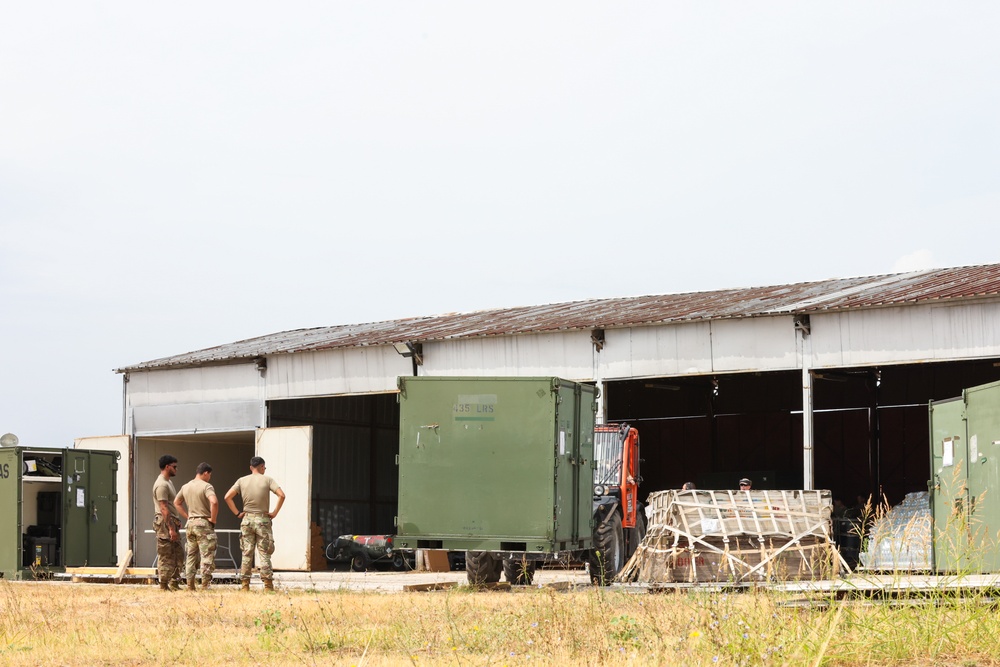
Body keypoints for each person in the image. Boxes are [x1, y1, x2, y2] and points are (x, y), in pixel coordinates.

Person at [225, 456, 285, 591]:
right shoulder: (268, 480)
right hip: (263, 520)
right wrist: (274, 512)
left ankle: (245, 585)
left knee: (247, 553)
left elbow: (227, 497)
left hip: (247, 519)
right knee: (264, 553)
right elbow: (282, 495)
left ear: (251, 467)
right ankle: (268, 585)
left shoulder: (242, 480)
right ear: (262, 467)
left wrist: (237, 513)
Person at [174, 462, 219, 590]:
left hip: (191, 524)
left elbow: (177, 503)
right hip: (204, 523)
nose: (209, 477)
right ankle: (205, 585)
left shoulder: (186, 486)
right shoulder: (206, 486)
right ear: (205, 473)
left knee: (191, 555)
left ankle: (190, 585)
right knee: (206, 555)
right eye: (209, 475)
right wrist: (213, 519)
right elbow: (214, 502)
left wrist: (188, 516)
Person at [152, 455, 183, 591]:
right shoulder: (161, 484)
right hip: (165, 523)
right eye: (174, 467)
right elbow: (163, 507)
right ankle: (163, 585)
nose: (176, 469)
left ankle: (174, 583)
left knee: (177, 553)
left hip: (171, 521)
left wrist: (176, 521)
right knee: (166, 554)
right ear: (167, 467)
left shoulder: (168, 482)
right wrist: (171, 528)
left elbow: (170, 506)